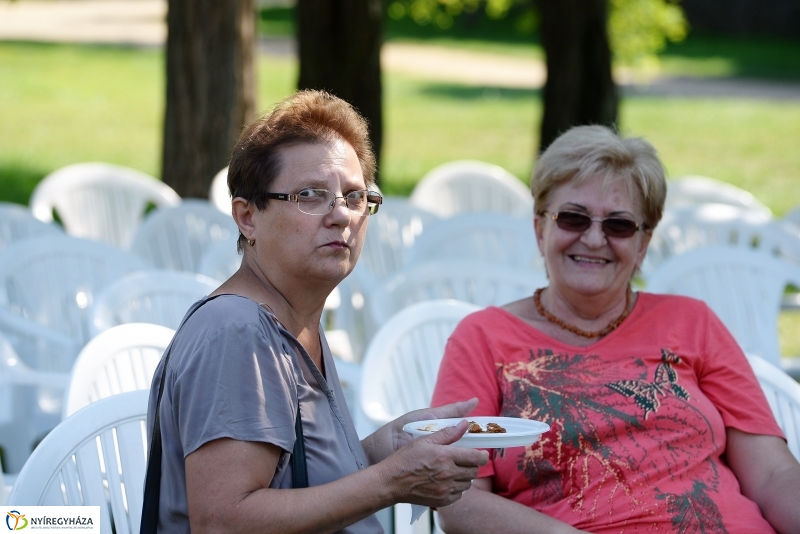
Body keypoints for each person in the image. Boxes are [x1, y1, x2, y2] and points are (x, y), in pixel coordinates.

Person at [145, 90, 488, 533]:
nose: (341, 215)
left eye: (355, 196)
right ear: (247, 217)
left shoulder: (294, 315)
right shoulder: (237, 330)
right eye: (310, 195)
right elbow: (225, 522)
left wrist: (387, 447)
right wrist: (391, 481)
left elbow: (292, 480)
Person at [430, 125, 800, 534]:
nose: (593, 238)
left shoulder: (693, 323)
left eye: (619, 225)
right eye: (572, 218)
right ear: (540, 229)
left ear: (642, 244)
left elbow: (771, 476)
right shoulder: (484, 337)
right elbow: (459, 498)